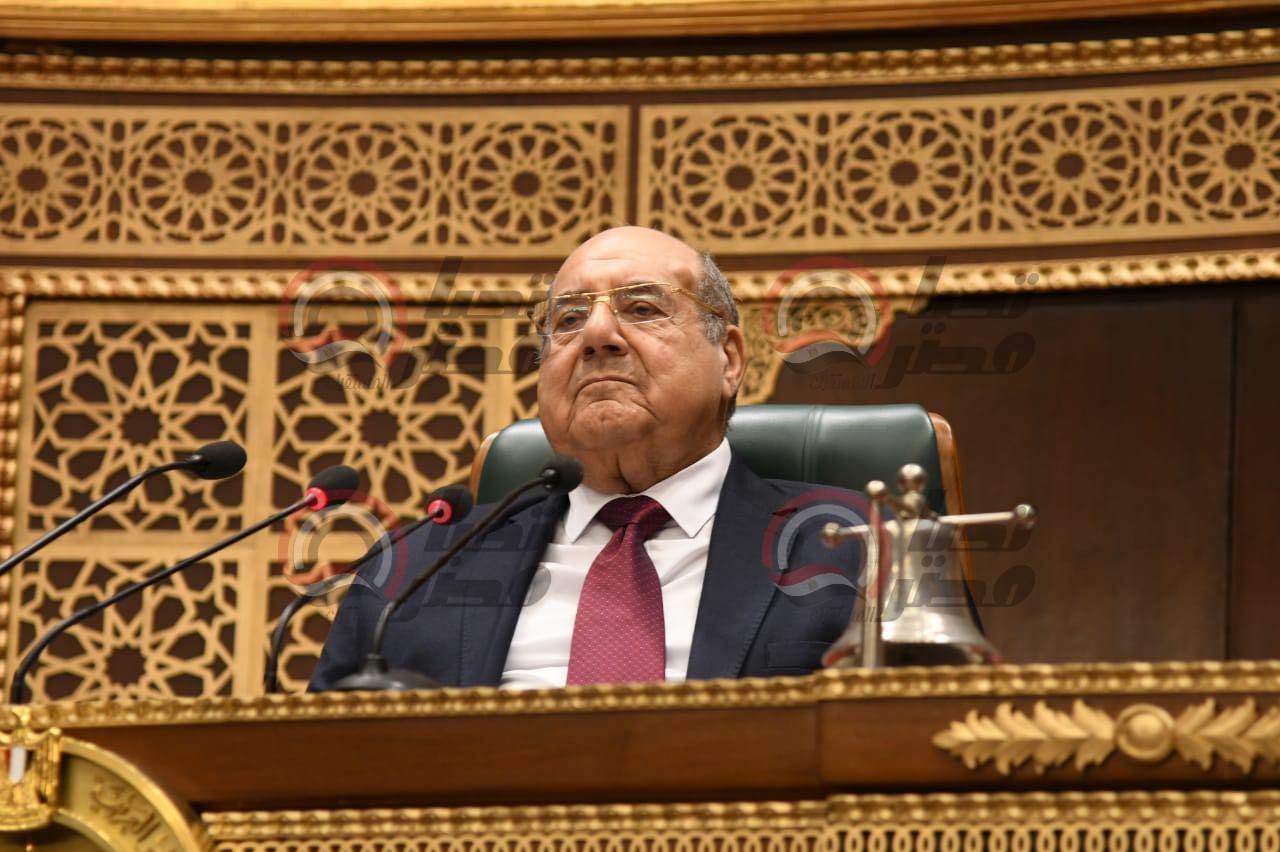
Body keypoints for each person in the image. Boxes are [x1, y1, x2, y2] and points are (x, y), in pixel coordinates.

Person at [309, 226, 864, 690]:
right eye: (569, 320)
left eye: (642, 308)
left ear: (730, 359)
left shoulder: (858, 545)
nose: (597, 334)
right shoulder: (412, 571)